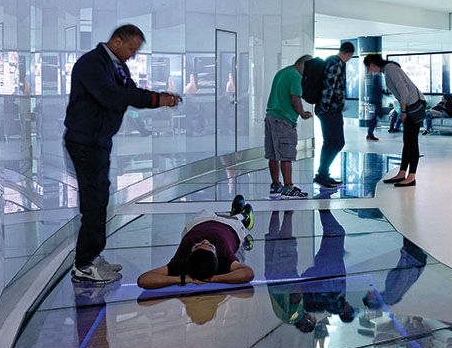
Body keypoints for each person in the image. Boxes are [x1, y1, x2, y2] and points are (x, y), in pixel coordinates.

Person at [64, 24, 181, 284]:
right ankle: (83, 264)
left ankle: (92, 256)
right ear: (116, 41)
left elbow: (128, 93)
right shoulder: (91, 64)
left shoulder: (117, 67)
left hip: (99, 141)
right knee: (94, 201)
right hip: (85, 142)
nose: (133, 55)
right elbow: (111, 95)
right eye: (131, 49)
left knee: (100, 198)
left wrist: (156, 100)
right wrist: (156, 99)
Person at [137, 199, 255, 289]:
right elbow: (248, 273)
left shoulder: (183, 258)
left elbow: (143, 279)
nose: (205, 240)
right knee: (234, 220)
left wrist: (184, 279)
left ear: (191, 252)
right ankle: (242, 216)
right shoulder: (224, 256)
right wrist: (213, 279)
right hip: (230, 227)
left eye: (199, 245)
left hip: (199, 222)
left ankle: (237, 214)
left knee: (211, 214)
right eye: (209, 246)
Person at [364, 54, 424, 187]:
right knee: (407, 141)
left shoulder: (390, 69)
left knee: (412, 142)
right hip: (409, 105)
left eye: (369, 67)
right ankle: (402, 173)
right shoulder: (388, 70)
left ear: (374, 63)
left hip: (413, 106)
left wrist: (403, 111)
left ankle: (411, 176)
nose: (369, 70)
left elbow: (404, 91)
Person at [266, 54, 313, 199]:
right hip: (284, 119)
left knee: (273, 154)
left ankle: (275, 185)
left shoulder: (283, 72)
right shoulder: (296, 77)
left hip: (271, 116)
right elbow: (295, 99)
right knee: (286, 155)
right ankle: (288, 187)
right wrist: (303, 114)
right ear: (305, 65)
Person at [315, 42, 355, 188]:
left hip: (328, 109)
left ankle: (323, 174)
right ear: (349, 54)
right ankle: (322, 174)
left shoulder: (332, 61)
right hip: (329, 109)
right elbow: (329, 85)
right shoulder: (336, 63)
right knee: (338, 142)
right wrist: (325, 107)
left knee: (330, 142)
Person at [365, 68, 383, 141]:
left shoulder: (375, 80)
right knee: (373, 120)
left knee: (373, 119)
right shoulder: (376, 80)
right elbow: (377, 91)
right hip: (375, 102)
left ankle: (370, 134)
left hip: (375, 101)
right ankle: (370, 134)